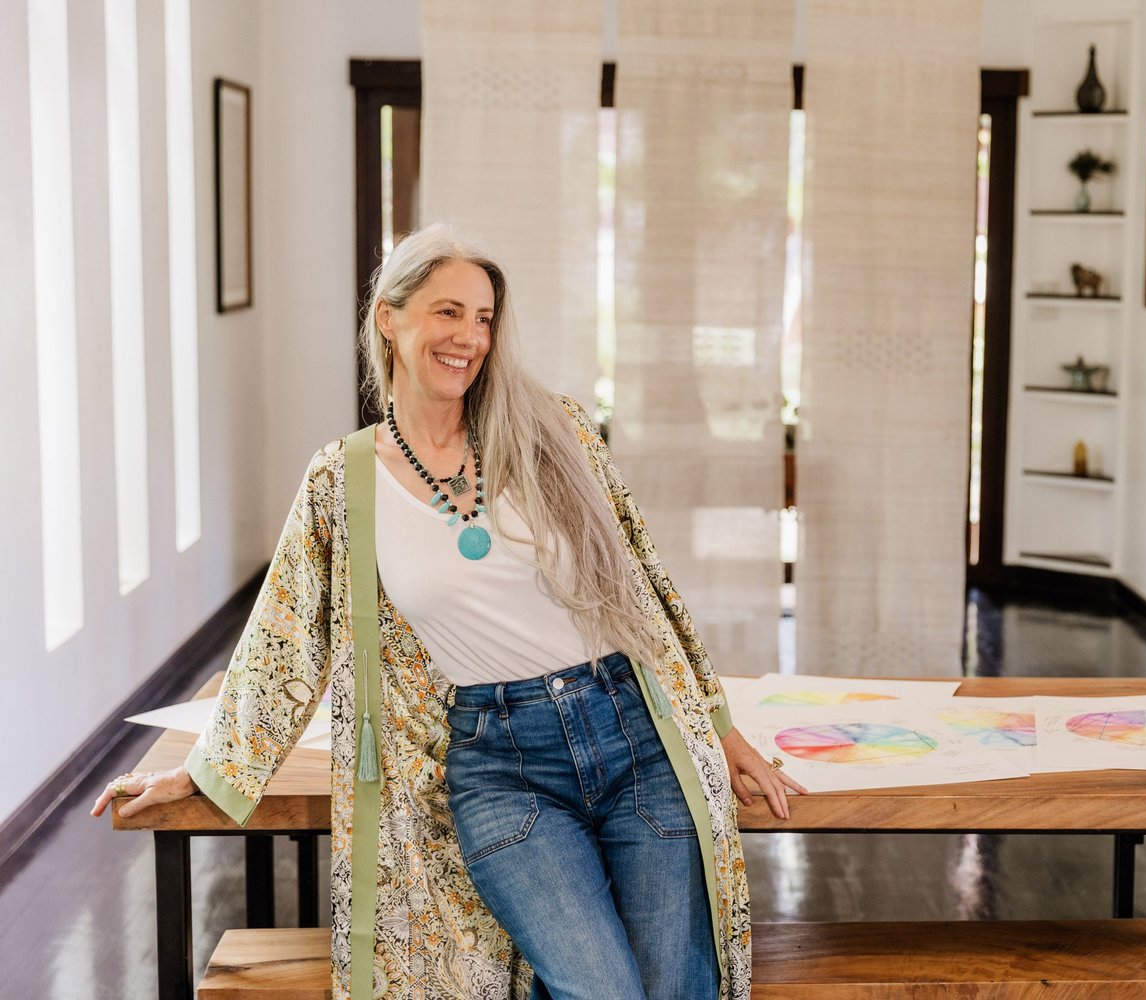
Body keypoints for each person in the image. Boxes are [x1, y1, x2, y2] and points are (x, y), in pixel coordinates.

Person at [91, 223, 804, 1000]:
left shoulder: (554, 432)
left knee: (678, 989)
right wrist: (205, 771)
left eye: (485, 318)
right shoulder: (344, 480)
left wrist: (719, 726)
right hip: (503, 766)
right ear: (389, 319)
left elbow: (643, 589)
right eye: (448, 312)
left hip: (634, 737)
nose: (470, 336)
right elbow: (285, 639)